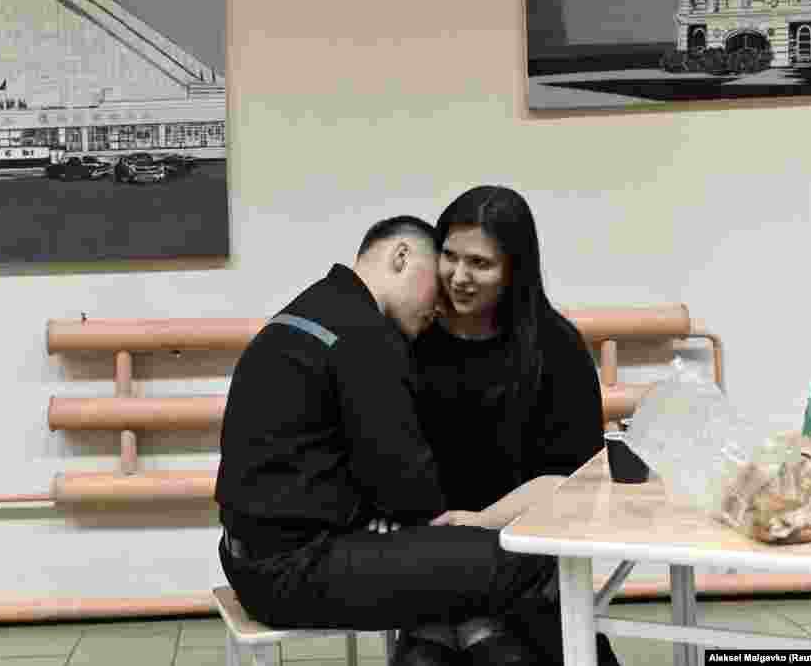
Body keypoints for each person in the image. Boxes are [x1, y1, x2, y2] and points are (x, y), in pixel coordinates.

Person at [214, 215, 565, 665]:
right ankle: (479, 637)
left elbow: (327, 459)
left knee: (451, 570)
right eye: (435, 291)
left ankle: (454, 634)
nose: (438, 308)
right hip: (293, 572)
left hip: (246, 557)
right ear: (401, 257)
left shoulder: (309, 313)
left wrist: (377, 514)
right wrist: (405, 514)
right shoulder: (363, 335)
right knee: (527, 555)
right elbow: (412, 490)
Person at [397, 185, 621, 665]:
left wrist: (483, 522)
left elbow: (573, 479)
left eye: (480, 264)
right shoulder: (412, 337)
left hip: (524, 544)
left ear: (514, 269)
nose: (459, 277)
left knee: (497, 650)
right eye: (449, 257)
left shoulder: (555, 347)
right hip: (431, 550)